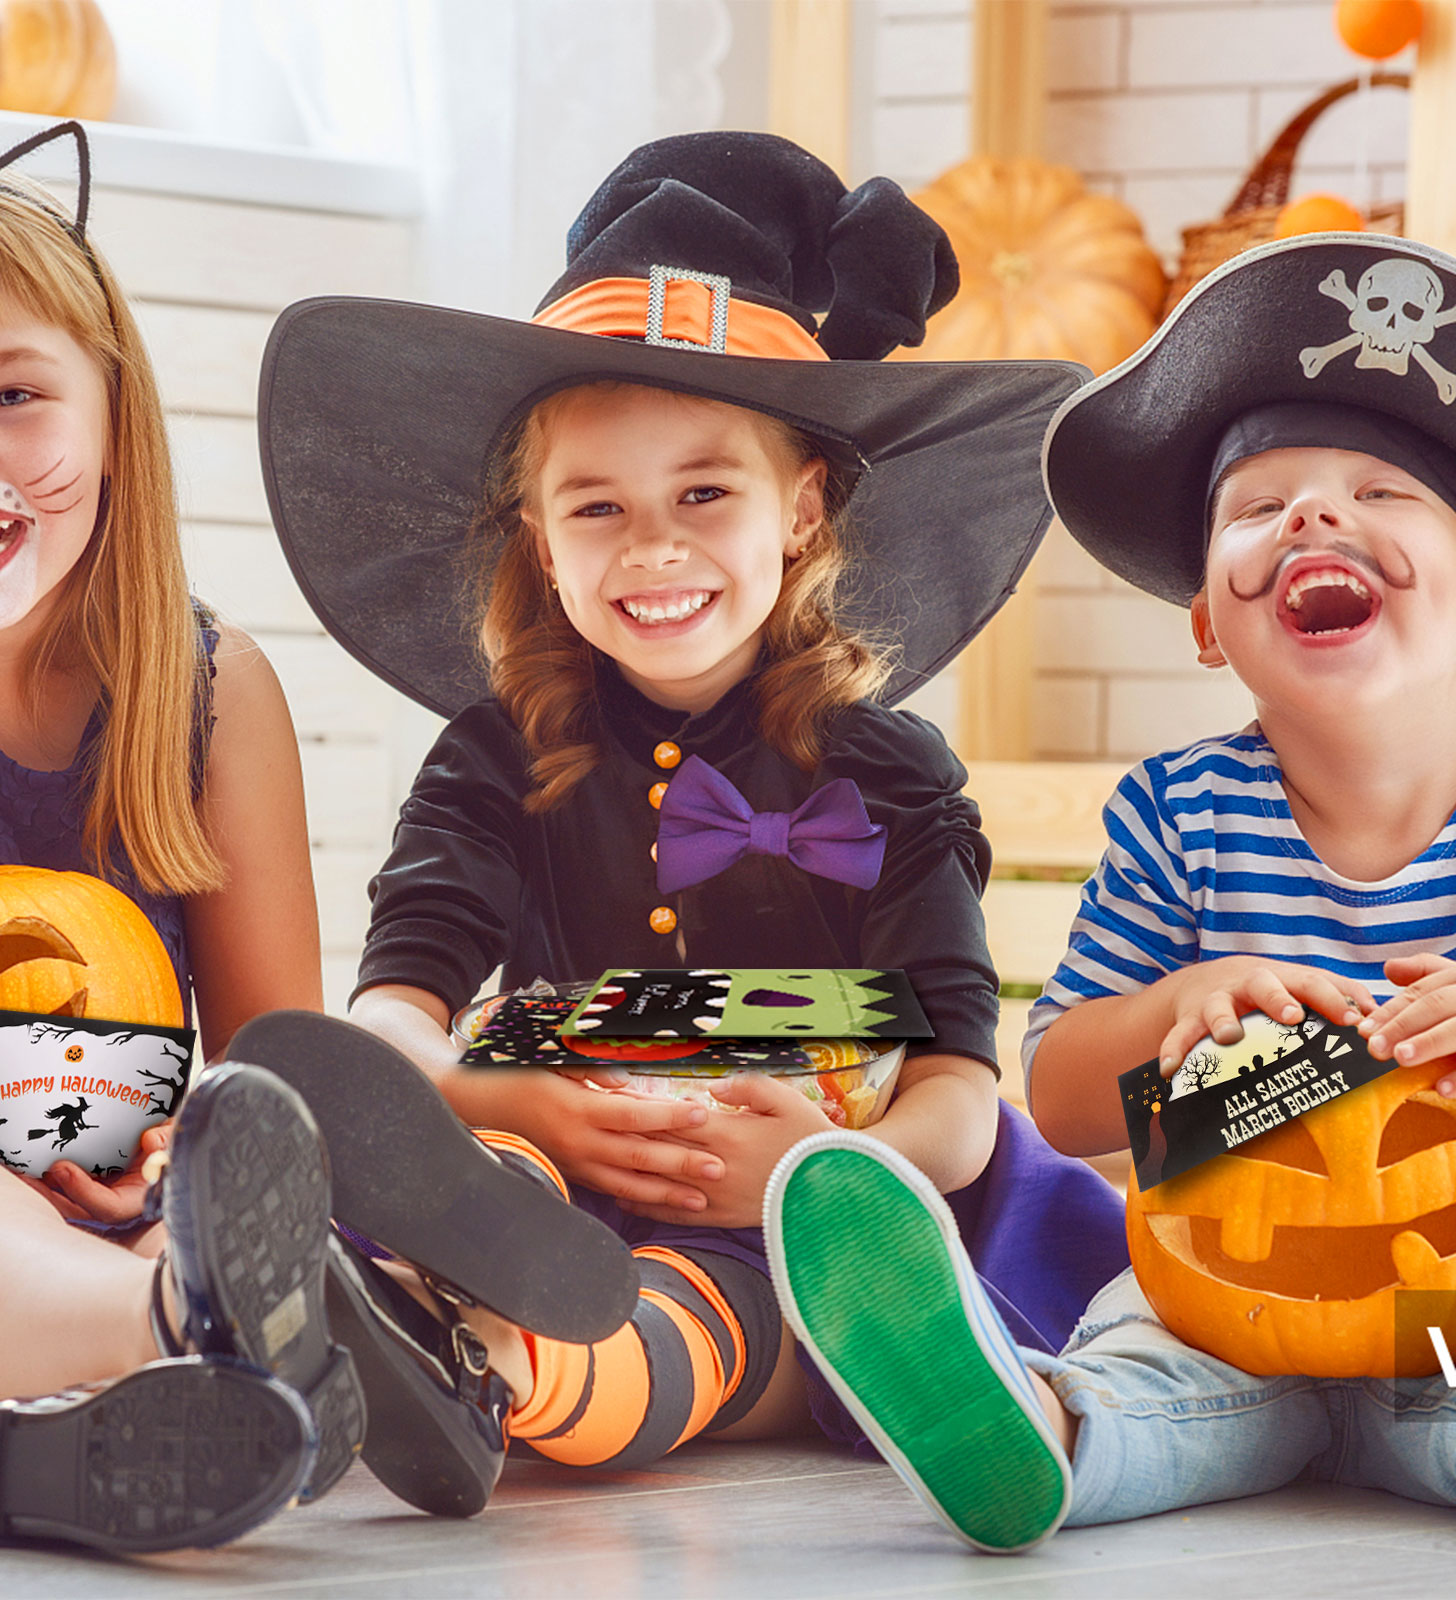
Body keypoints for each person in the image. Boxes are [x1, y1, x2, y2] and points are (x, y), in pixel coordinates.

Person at [253, 132, 1129, 1511]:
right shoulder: (494, 759)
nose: (652, 546)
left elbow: (961, 1104)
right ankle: (405, 1313)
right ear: (540, 540)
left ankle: (521, 1374)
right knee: (473, 1179)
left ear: (803, 509)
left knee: (718, 1298)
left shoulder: (892, 777)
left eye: (704, 493)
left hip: (806, 1190)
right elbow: (395, 1021)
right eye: (597, 506)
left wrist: (821, 1176)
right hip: (547, 1153)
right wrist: (504, 1095)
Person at [765, 231, 1456, 1553]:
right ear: (1206, 621)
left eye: (1381, 490)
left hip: (1447, 1300)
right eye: (1258, 506)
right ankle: (1022, 1426)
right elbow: (1068, 1096)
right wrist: (1172, 1009)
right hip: (1219, 1296)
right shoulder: (1180, 815)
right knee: (1133, 1372)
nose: (1313, 518)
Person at [0, 124, 362, 1551]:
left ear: (116, 412)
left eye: (14, 395)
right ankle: (203, 1337)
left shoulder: (206, 694)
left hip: (102, 1225)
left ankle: (60, 1449)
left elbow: (269, 1070)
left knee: (305, 1203)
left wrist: (179, 1161)